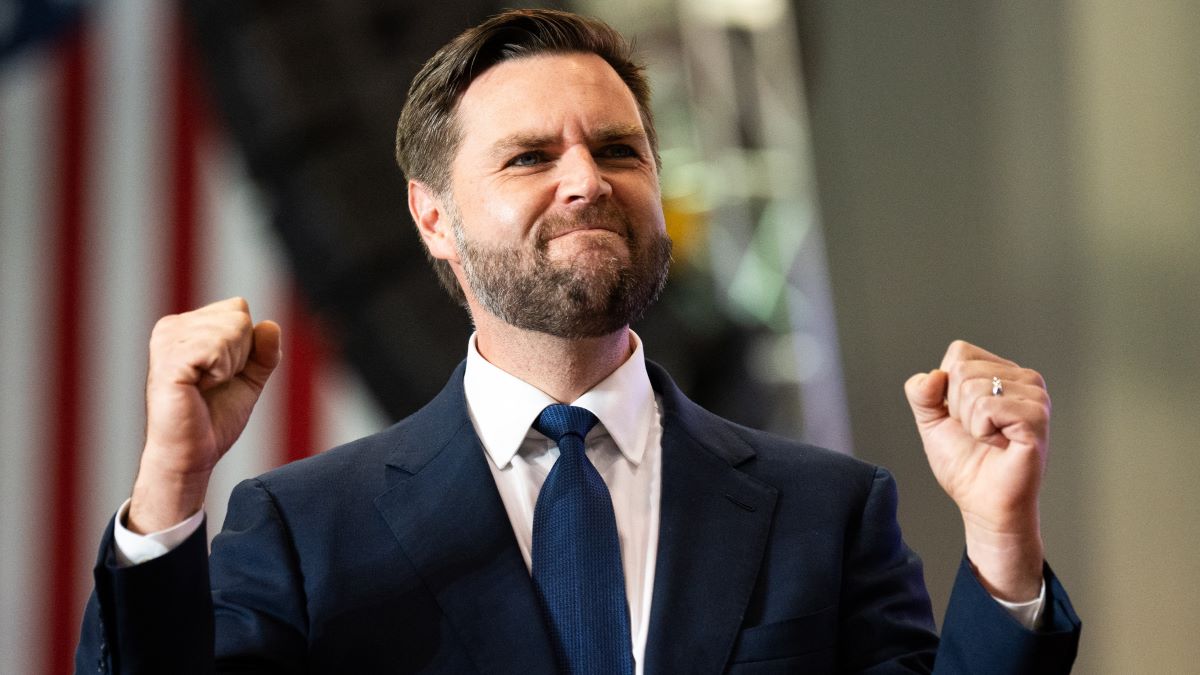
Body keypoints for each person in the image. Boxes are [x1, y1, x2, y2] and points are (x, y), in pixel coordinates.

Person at [76, 8, 1080, 674]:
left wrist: (1001, 545)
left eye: (616, 149)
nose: (586, 180)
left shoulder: (827, 509)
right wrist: (170, 486)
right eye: (528, 156)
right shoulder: (303, 529)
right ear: (433, 220)